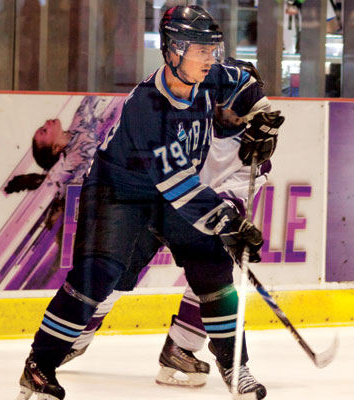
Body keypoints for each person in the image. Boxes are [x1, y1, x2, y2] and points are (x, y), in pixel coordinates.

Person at [17, 5, 283, 400]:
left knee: (213, 267)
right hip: (118, 195)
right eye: (202, 51)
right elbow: (179, 187)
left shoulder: (208, 76)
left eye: (213, 50)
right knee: (98, 275)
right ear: (174, 50)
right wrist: (229, 223)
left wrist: (261, 118)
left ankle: (236, 367)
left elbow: (245, 84)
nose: (211, 58)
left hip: (171, 194)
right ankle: (40, 365)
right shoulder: (149, 108)